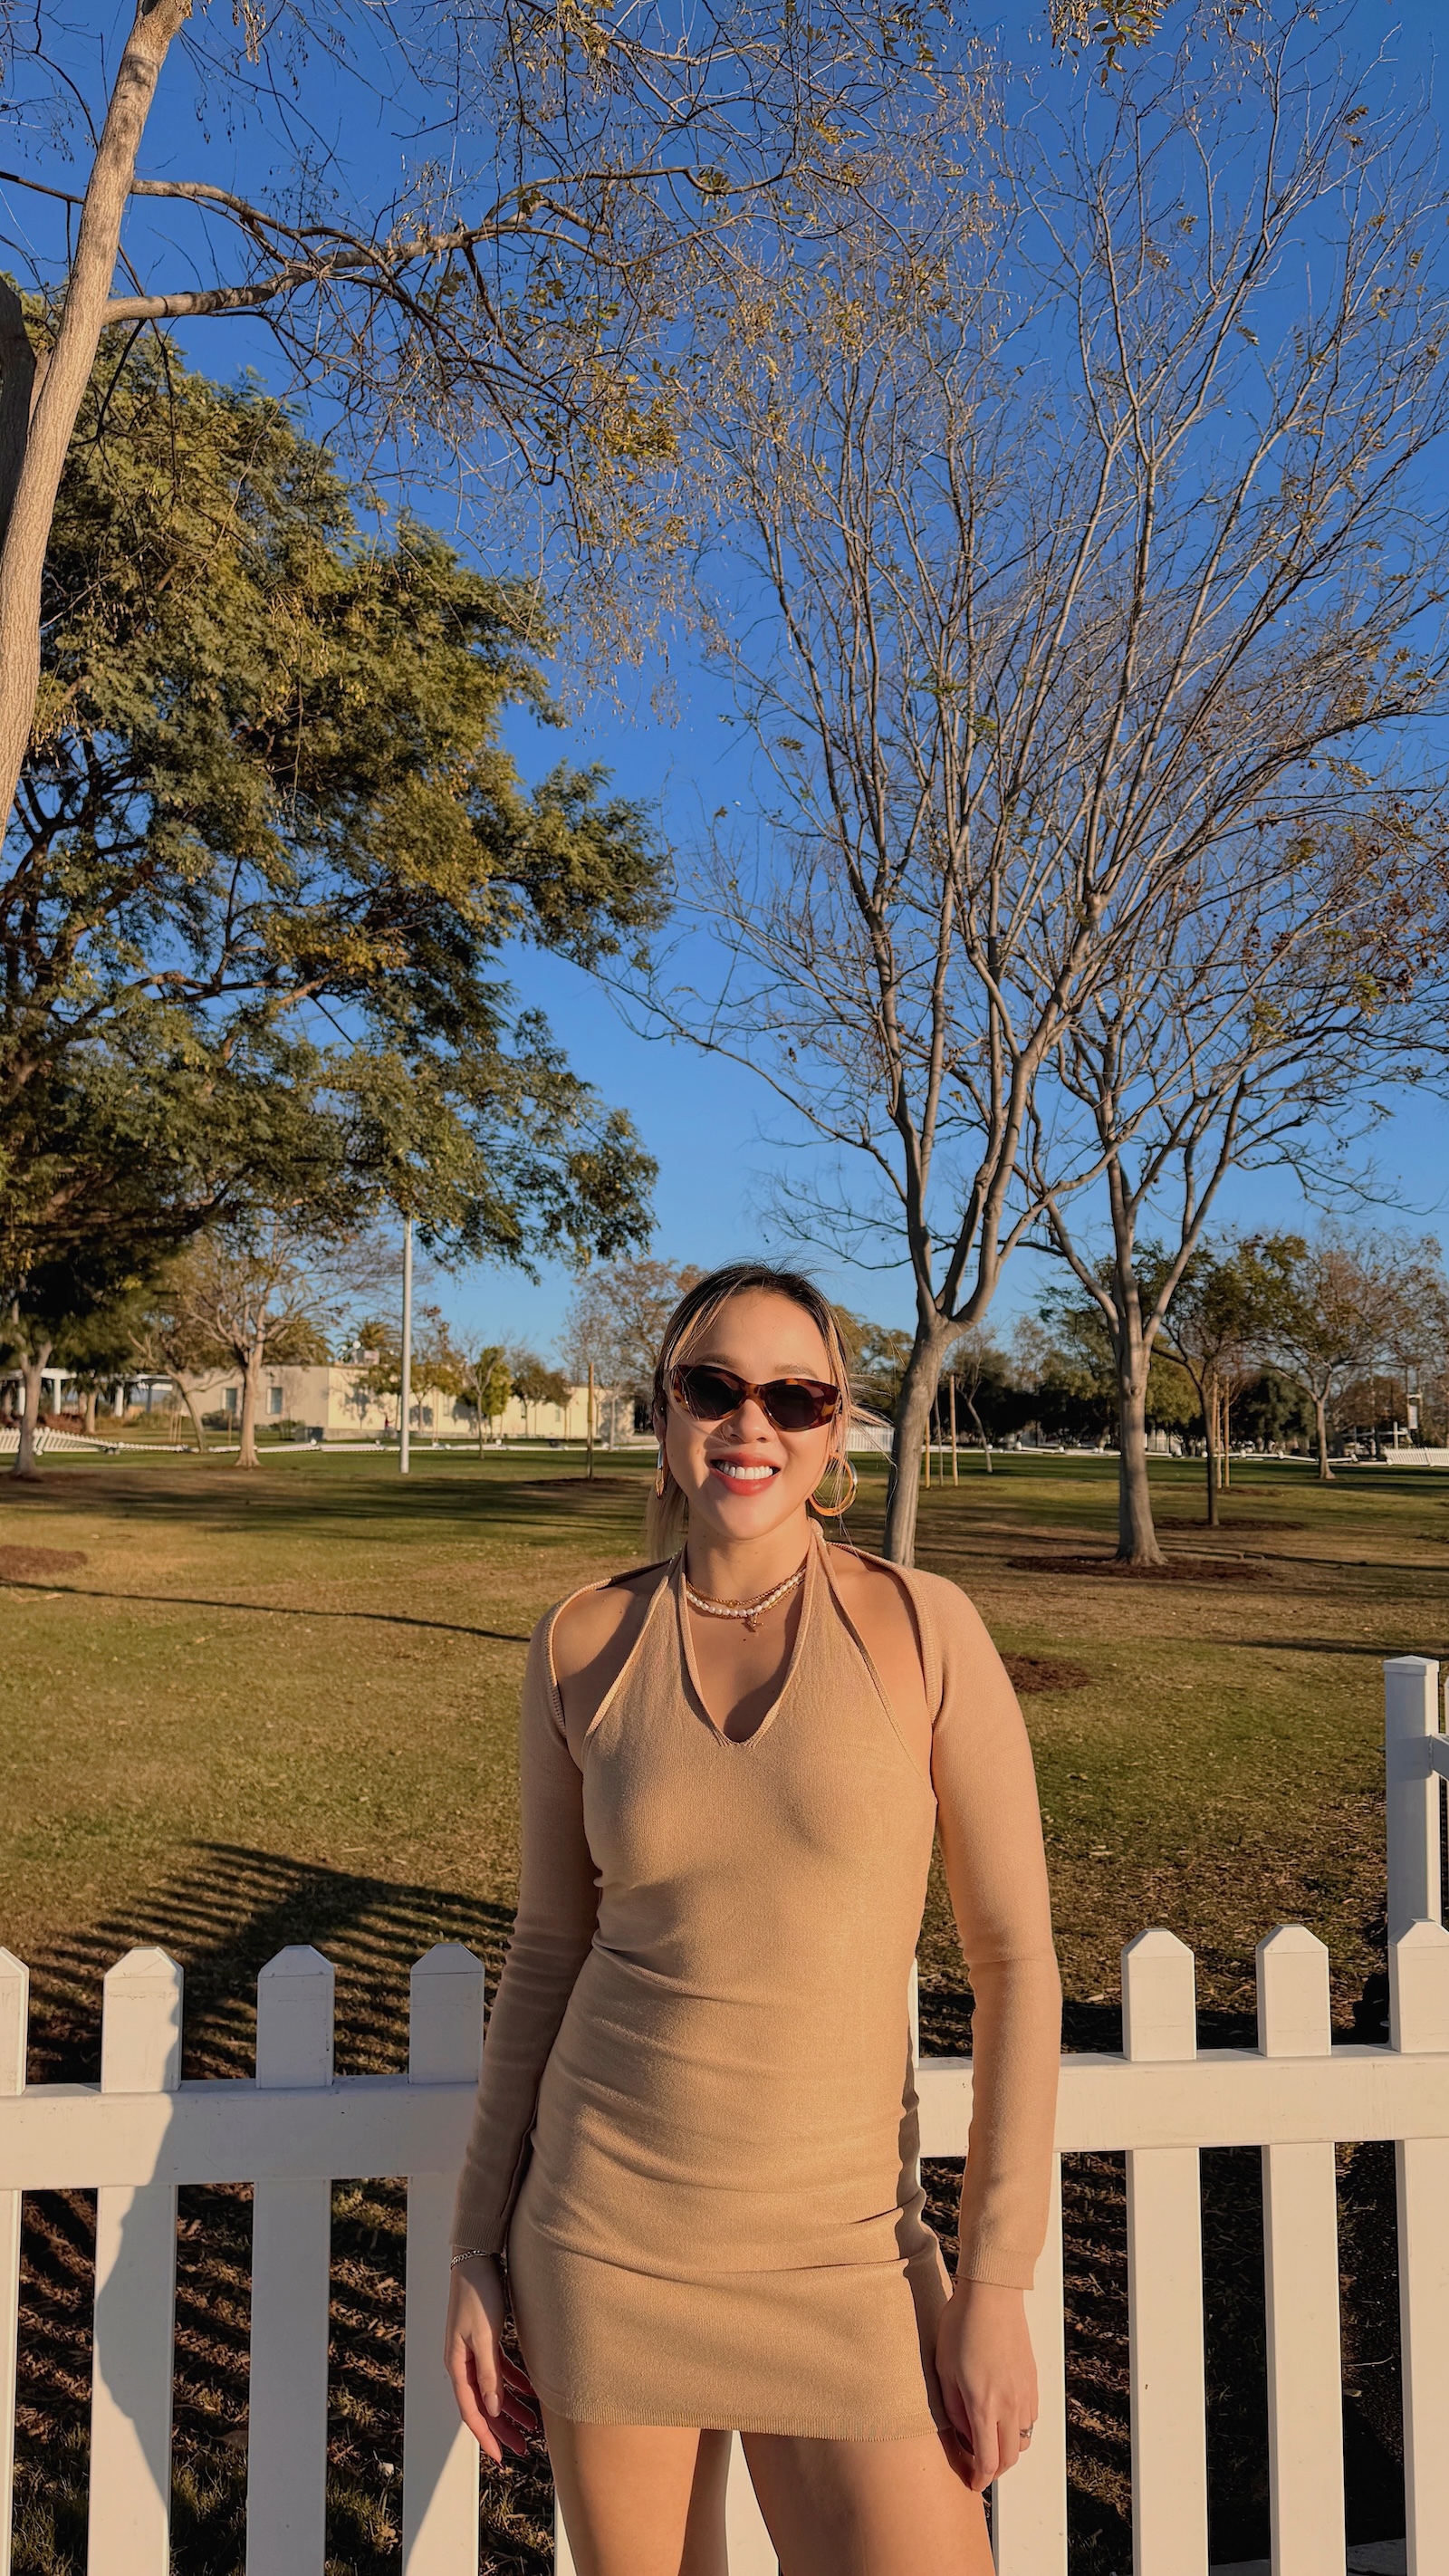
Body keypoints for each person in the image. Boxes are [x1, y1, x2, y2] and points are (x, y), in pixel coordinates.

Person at [445, 1263, 1060, 2576]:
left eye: (795, 1397)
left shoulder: (921, 1629)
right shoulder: (580, 1641)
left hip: (845, 2256)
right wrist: (474, 2244)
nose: (750, 1424)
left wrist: (996, 2281)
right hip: (606, 2240)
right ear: (663, 1411)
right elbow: (548, 1950)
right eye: (713, 1387)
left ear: (837, 1433)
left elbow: (1015, 1963)